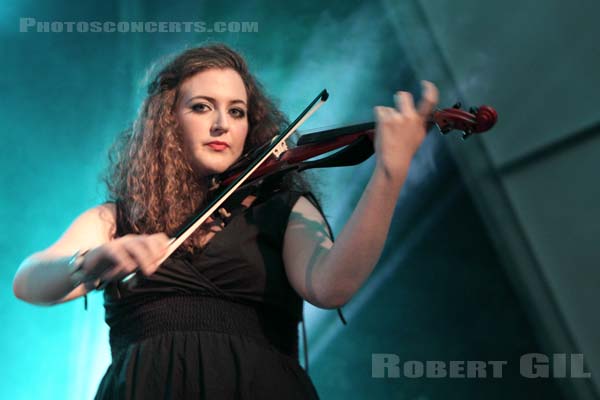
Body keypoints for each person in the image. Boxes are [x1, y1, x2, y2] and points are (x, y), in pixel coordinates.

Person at [12, 44, 438, 399]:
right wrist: (88, 263)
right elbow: (28, 282)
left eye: (237, 112)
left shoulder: (282, 207)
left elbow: (331, 286)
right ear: (168, 120)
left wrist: (389, 172)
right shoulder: (118, 218)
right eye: (202, 107)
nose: (222, 125)